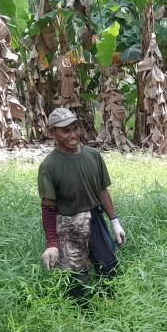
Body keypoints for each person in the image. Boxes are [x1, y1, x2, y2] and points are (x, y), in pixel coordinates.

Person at [37, 107, 127, 303]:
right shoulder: (49, 166)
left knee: (108, 266)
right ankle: (82, 314)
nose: (73, 135)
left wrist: (115, 222)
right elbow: (48, 208)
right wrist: (52, 244)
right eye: (65, 131)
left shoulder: (93, 155)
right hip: (68, 224)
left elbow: (102, 191)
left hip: (95, 219)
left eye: (75, 128)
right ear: (52, 133)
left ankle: (112, 308)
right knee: (77, 280)